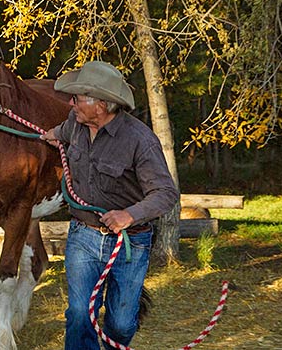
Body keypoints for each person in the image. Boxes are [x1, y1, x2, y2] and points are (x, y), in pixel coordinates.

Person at [40, 61, 178, 350]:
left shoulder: (140, 141)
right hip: (83, 236)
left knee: (122, 323)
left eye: (78, 98)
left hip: (130, 242)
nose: (71, 102)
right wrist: (51, 135)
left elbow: (166, 193)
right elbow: (63, 131)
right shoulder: (75, 124)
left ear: (101, 104)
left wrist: (129, 215)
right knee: (79, 314)